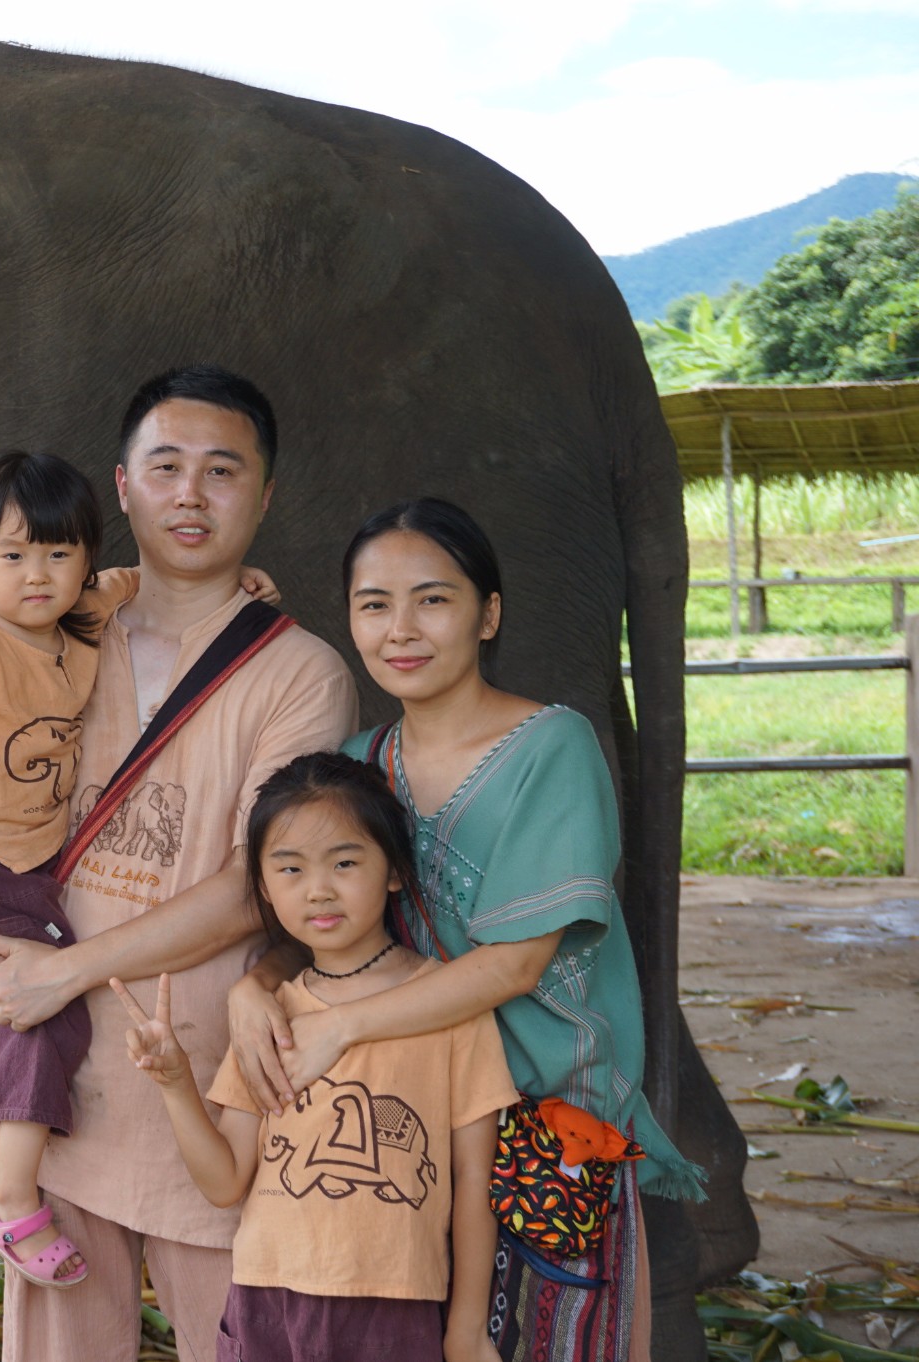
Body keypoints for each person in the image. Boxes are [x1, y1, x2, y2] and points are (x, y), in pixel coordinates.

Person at [224, 497, 703, 1362]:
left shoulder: (552, 748)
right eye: (374, 604)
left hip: (544, 1131)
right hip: (406, 1130)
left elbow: (516, 964)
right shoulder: (362, 764)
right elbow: (321, 918)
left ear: (488, 614)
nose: (400, 629)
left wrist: (340, 1025)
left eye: (433, 599)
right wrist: (252, 989)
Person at [0, 366, 358, 1360]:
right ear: (121, 489)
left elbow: (261, 887)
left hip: (208, 1097)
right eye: (164, 466)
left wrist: (62, 971)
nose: (190, 493)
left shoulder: (302, 674)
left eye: (222, 471)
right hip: (55, 1094)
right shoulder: (46, 632)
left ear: (264, 496)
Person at [0, 448, 279, 1288]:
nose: (39, 574)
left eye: (59, 554)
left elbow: (144, 578)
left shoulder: (84, 617)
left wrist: (242, 581)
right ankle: (12, 1194)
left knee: (33, 1003)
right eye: (14, 555)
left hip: (34, 866)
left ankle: (0, 1172)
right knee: (39, 1012)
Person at [114, 750, 515, 1362]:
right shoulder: (269, 1017)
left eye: (346, 862)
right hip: (266, 1300)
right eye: (290, 869)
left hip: (396, 1303)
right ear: (266, 890)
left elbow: (472, 1181)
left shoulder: (449, 1006)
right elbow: (225, 1182)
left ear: (394, 871)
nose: (319, 889)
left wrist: (466, 1327)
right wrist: (174, 1084)